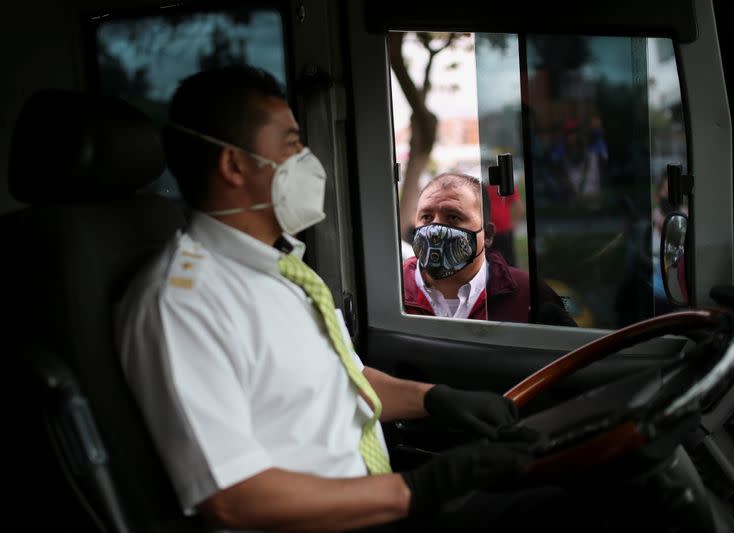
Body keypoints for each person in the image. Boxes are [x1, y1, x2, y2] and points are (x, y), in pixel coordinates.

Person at [114, 65, 579, 533]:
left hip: (373, 503)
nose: (307, 159)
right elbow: (232, 498)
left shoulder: (280, 273)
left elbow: (344, 380)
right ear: (234, 165)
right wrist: (422, 488)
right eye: (292, 144)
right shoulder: (182, 302)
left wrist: (435, 398)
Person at [402, 172, 574, 326]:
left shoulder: (528, 293)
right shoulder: (391, 290)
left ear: (488, 235)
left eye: (453, 217)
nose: (435, 230)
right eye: (426, 217)